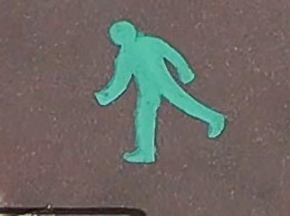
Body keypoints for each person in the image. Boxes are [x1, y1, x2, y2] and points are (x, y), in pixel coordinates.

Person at [95, 22, 227, 165]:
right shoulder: (131, 53)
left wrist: (185, 71)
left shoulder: (140, 48)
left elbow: (171, 55)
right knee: (146, 114)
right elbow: (120, 82)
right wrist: (106, 96)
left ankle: (214, 118)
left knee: (183, 102)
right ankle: (146, 152)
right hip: (149, 89)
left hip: (163, 83)